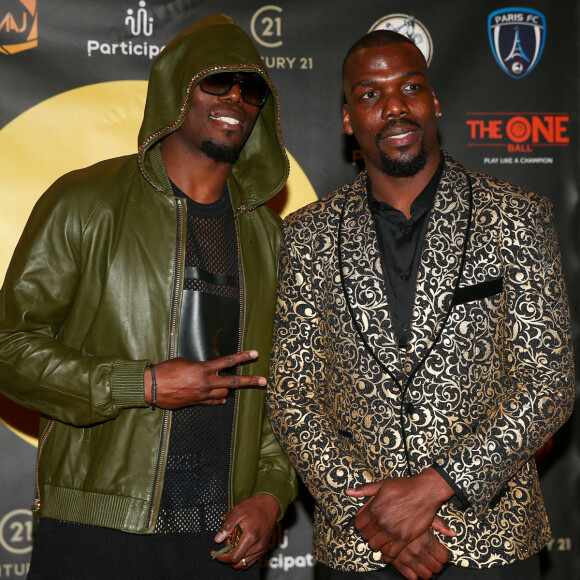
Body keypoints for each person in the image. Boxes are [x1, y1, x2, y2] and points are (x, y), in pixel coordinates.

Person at [267, 29, 574, 580]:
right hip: (362, 546)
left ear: (434, 102)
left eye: (409, 87)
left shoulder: (516, 216)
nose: (393, 106)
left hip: (489, 542)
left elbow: (550, 381)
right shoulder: (306, 235)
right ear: (346, 119)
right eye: (369, 94)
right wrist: (375, 516)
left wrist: (434, 487)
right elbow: (292, 398)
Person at [0, 14, 297, 579]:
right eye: (218, 81)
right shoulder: (85, 201)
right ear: (177, 90)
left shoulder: (270, 238)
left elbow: (288, 388)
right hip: (97, 530)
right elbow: (8, 346)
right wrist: (144, 385)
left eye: (251, 87)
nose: (236, 96)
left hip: (221, 539)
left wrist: (270, 495)